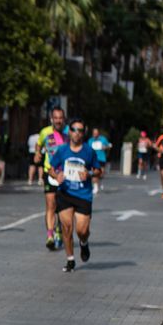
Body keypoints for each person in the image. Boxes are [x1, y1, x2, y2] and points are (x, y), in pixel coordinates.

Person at [49, 123, 102, 272]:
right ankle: (70, 259)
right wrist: (56, 175)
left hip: (83, 195)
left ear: (83, 133)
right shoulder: (62, 150)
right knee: (66, 227)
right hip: (65, 193)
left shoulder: (89, 151)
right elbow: (51, 169)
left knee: (81, 230)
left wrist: (90, 174)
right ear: (69, 132)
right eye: (73, 129)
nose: (76, 133)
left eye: (80, 130)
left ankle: (84, 242)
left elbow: (99, 170)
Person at [36, 107, 69, 250]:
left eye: (60, 118)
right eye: (55, 118)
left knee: (62, 208)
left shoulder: (69, 133)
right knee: (50, 205)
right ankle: (50, 236)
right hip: (49, 172)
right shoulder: (45, 132)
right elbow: (39, 144)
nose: (58, 121)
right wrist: (37, 153)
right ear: (51, 119)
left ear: (64, 119)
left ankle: (59, 230)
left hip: (66, 175)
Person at [89, 127, 111, 194]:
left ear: (98, 133)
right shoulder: (90, 140)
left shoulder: (103, 139)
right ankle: (95, 187)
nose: (95, 134)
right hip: (93, 159)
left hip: (101, 158)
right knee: (94, 173)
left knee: (101, 173)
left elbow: (109, 145)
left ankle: (99, 182)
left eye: (96, 133)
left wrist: (105, 147)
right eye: (94, 133)